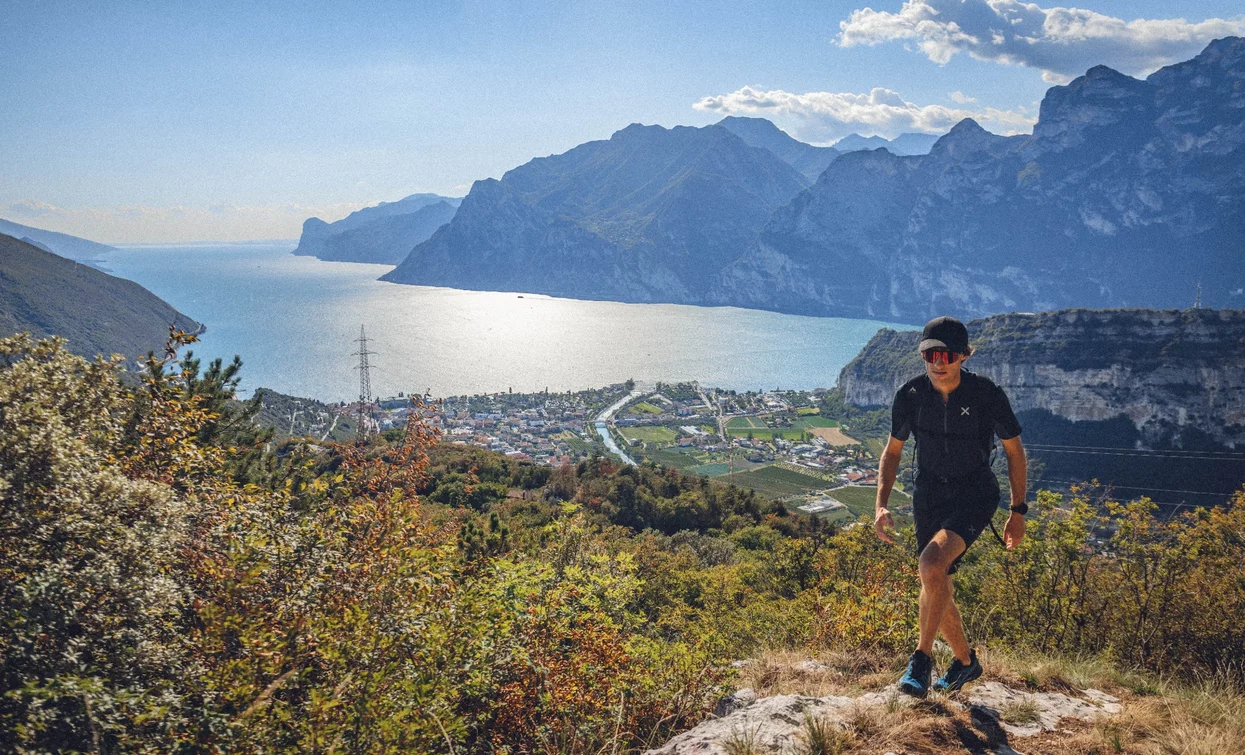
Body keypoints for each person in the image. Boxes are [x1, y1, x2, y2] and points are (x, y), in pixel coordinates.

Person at [874, 316, 1028, 697]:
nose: (938, 363)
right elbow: (892, 452)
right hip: (929, 493)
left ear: (963, 356)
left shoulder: (986, 395)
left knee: (931, 564)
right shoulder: (910, 395)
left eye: (946, 355)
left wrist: (1018, 511)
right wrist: (880, 504)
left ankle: (921, 661)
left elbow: (1015, 452)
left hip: (975, 493)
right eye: (930, 355)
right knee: (934, 579)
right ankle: (965, 661)